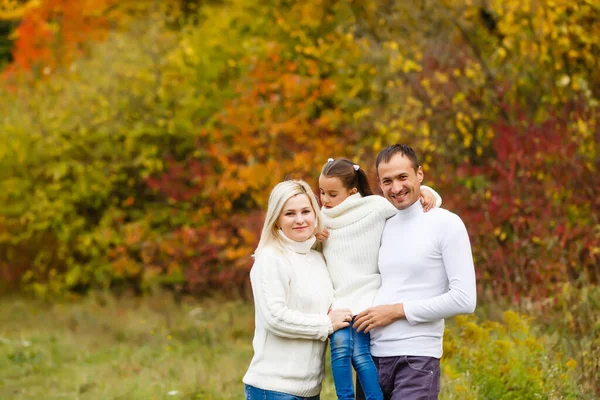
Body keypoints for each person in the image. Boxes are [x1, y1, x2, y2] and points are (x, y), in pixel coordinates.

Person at [353, 144, 477, 400]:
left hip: (416, 359)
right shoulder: (383, 223)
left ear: (419, 174)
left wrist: (397, 311)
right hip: (371, 357)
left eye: (402, 177)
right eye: (387, 181)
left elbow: (465, 299)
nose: (396, 188)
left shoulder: (446, 224)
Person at [317, 158, 442, 400]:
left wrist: (428, 192)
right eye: (322, 192)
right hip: (339, 301)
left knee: (361, 354)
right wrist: (314, 234)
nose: (325, 199)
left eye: (332, 194)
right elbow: (301, 239)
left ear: (352, 191)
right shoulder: (322, 219)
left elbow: (407, 205)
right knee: (340, 351)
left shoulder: (374, 207)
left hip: (366, 299)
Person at [242, 179, 353, 400]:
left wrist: (424, 194)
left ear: (315, 213)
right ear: (276, 220)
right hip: (272, 389)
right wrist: (326, 324)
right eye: (290, 214)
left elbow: (357, 215)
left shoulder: (318, 257)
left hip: (310, 390)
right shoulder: (270, 258)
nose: (300, 219)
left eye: (305, 211)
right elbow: (275, 318)